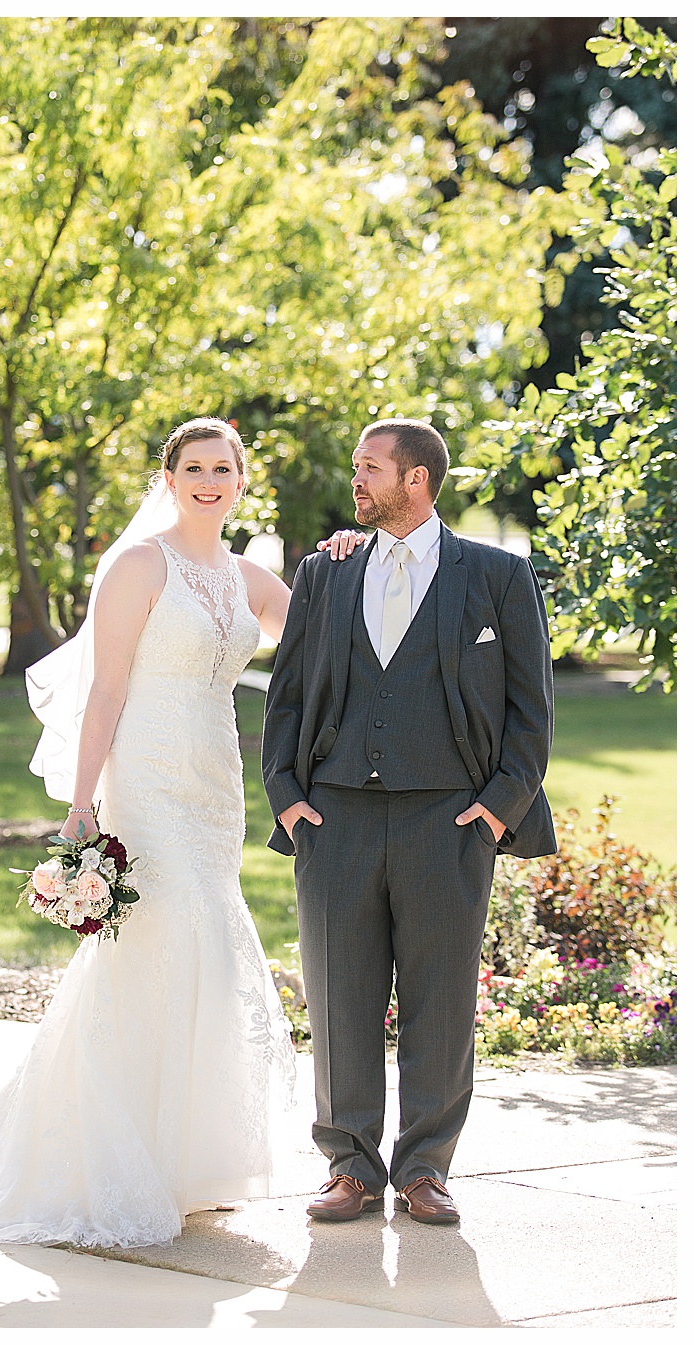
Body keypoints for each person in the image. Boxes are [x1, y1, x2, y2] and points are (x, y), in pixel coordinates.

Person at [0, 417, 335, 1249]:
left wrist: (344, 556)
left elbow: (322, 624)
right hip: (148, 776)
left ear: (242, 481)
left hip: (213, 783)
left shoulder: (248, 577)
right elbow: (106, 687)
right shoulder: (137, 565)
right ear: (169, 479)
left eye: (222, 468)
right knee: (165, 936)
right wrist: (82, 803)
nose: (208, 480)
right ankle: (109, 1158)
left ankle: (183, 1162)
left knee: (206, 947)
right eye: (193, 467)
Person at [262, 418, 555, 1228]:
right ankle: (348, 1166)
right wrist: (287, 793)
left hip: (449, 821)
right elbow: (286, 694)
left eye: (368, 468)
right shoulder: (327, 571)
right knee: (338, 994)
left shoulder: (497, 574)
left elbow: (531, 709)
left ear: (416, 479)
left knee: (442, 996)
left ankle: (425, 1168)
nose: (355, 480)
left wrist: (498, 808)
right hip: (336, 814)